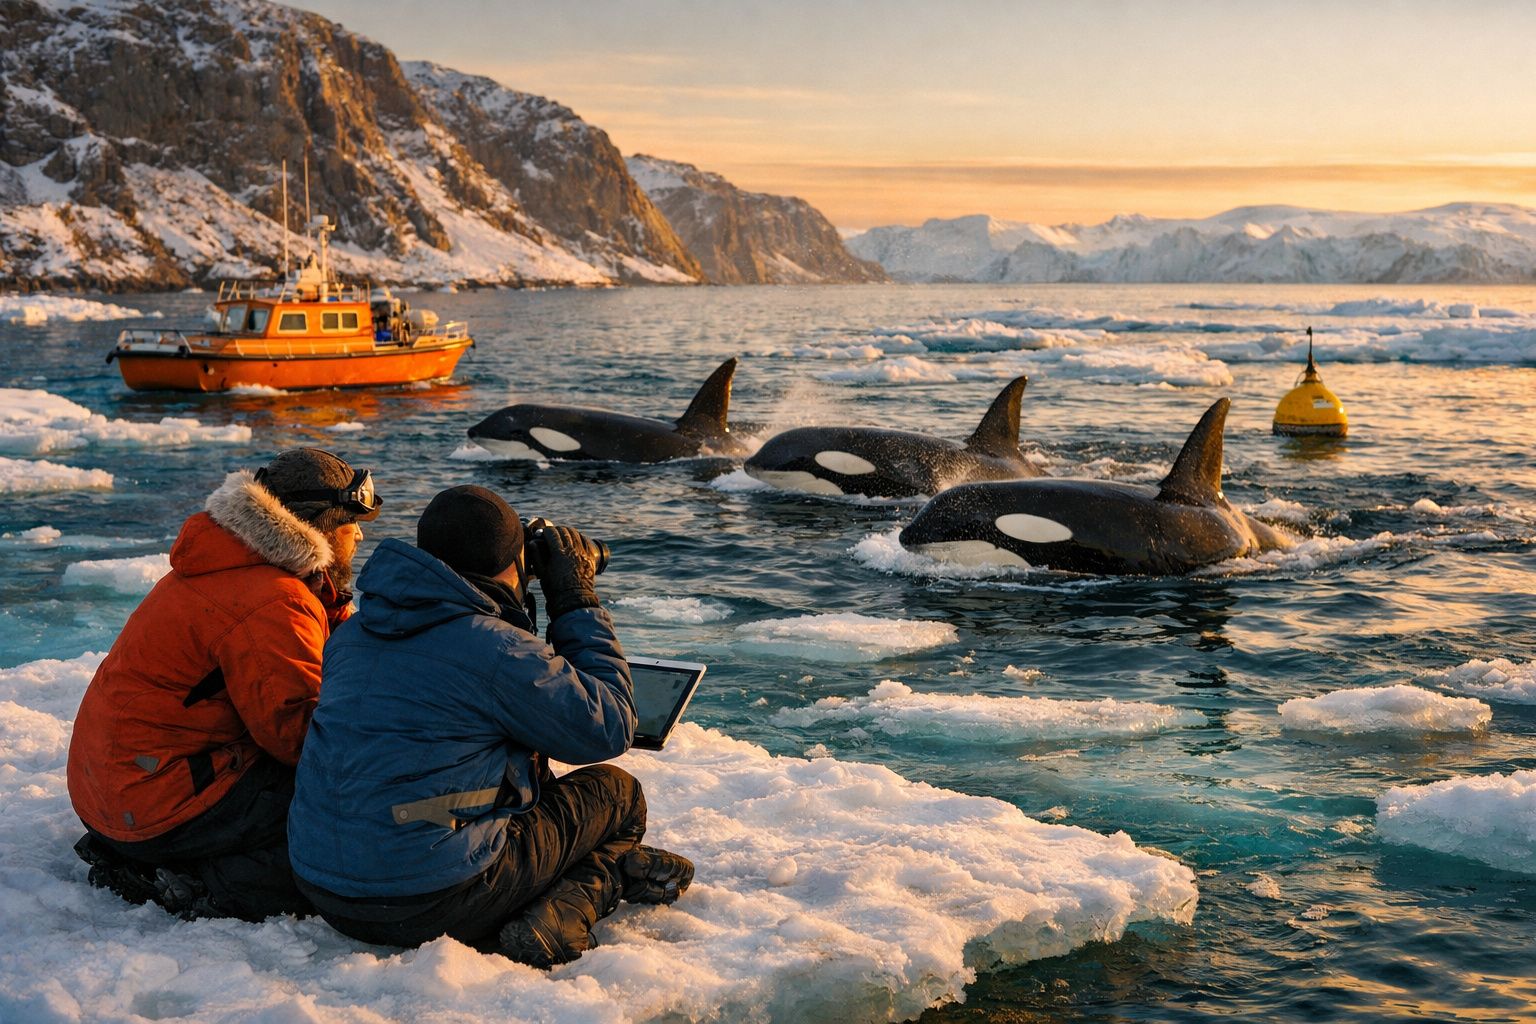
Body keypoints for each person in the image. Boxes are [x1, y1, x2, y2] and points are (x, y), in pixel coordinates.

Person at [286, 484, 693, 967]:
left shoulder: (353, 633)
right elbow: (608, 727)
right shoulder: (497, 650)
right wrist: (575, 597)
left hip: (324, 886)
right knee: (618, 795)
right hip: (429, 899)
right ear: (514, 561)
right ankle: (567, 910)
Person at [68, 447, 381, 921]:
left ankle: (143, 852)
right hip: (151, 802)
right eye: (349, 522)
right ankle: (199, 883)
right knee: (337, 831)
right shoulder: (272, 602)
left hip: (114, 788)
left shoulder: (232, 563)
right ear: (317, 529)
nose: (358, 534)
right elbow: (298, 737)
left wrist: (332, 603)